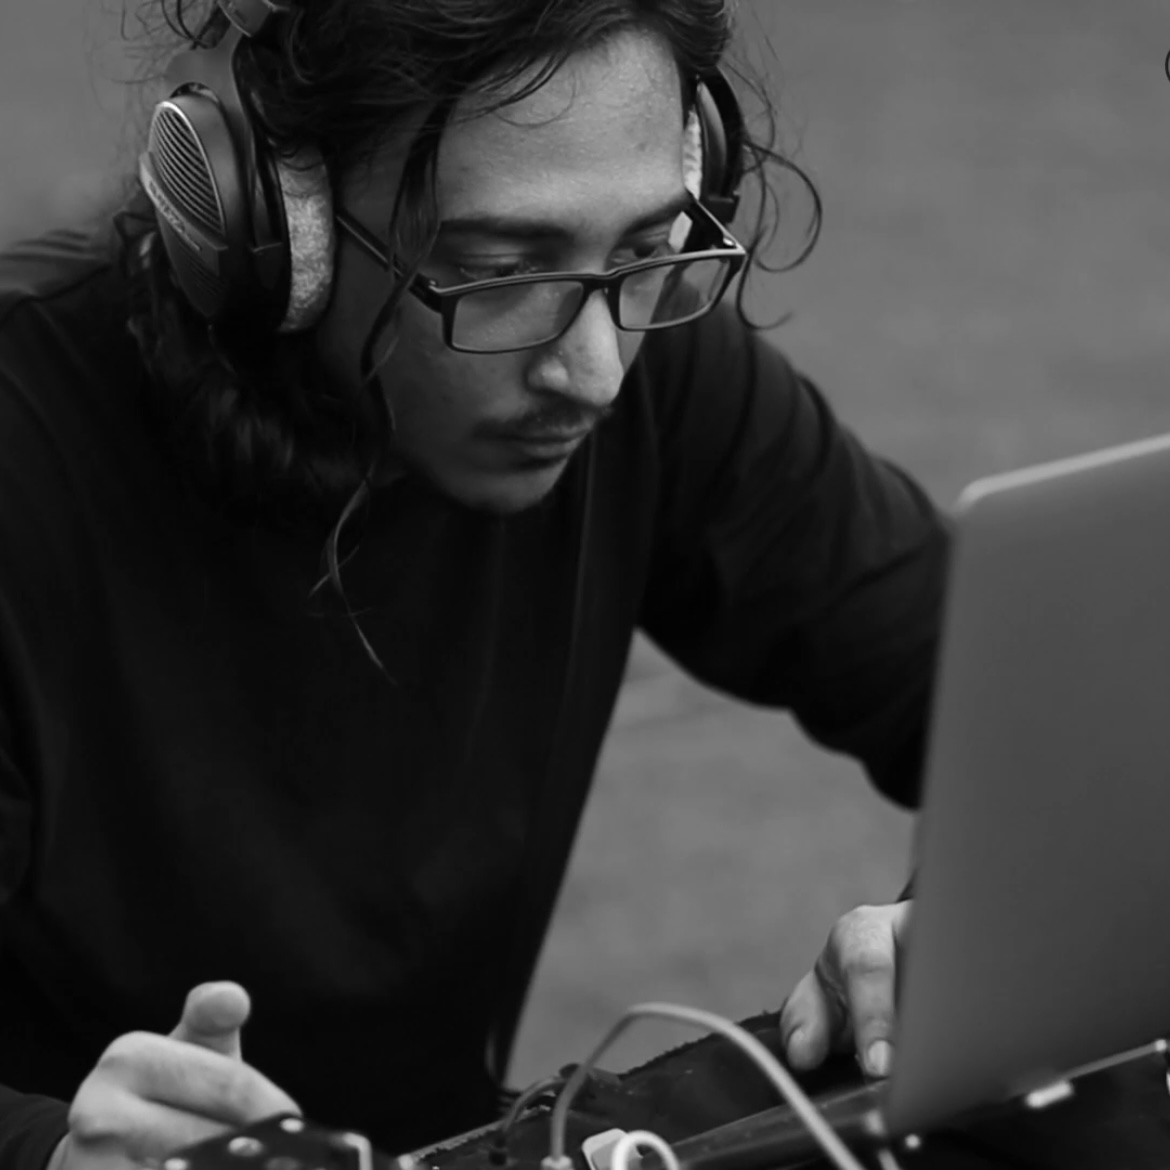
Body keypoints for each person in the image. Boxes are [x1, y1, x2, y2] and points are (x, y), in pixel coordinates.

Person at [0, 1, 946, 1169]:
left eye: (645, 249)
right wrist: (52, 1152)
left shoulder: (641, 354)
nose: (594, 371)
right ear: (275, 227)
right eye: (502, 270)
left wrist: (947, 930)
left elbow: (1020, 695)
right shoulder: (23, 440)